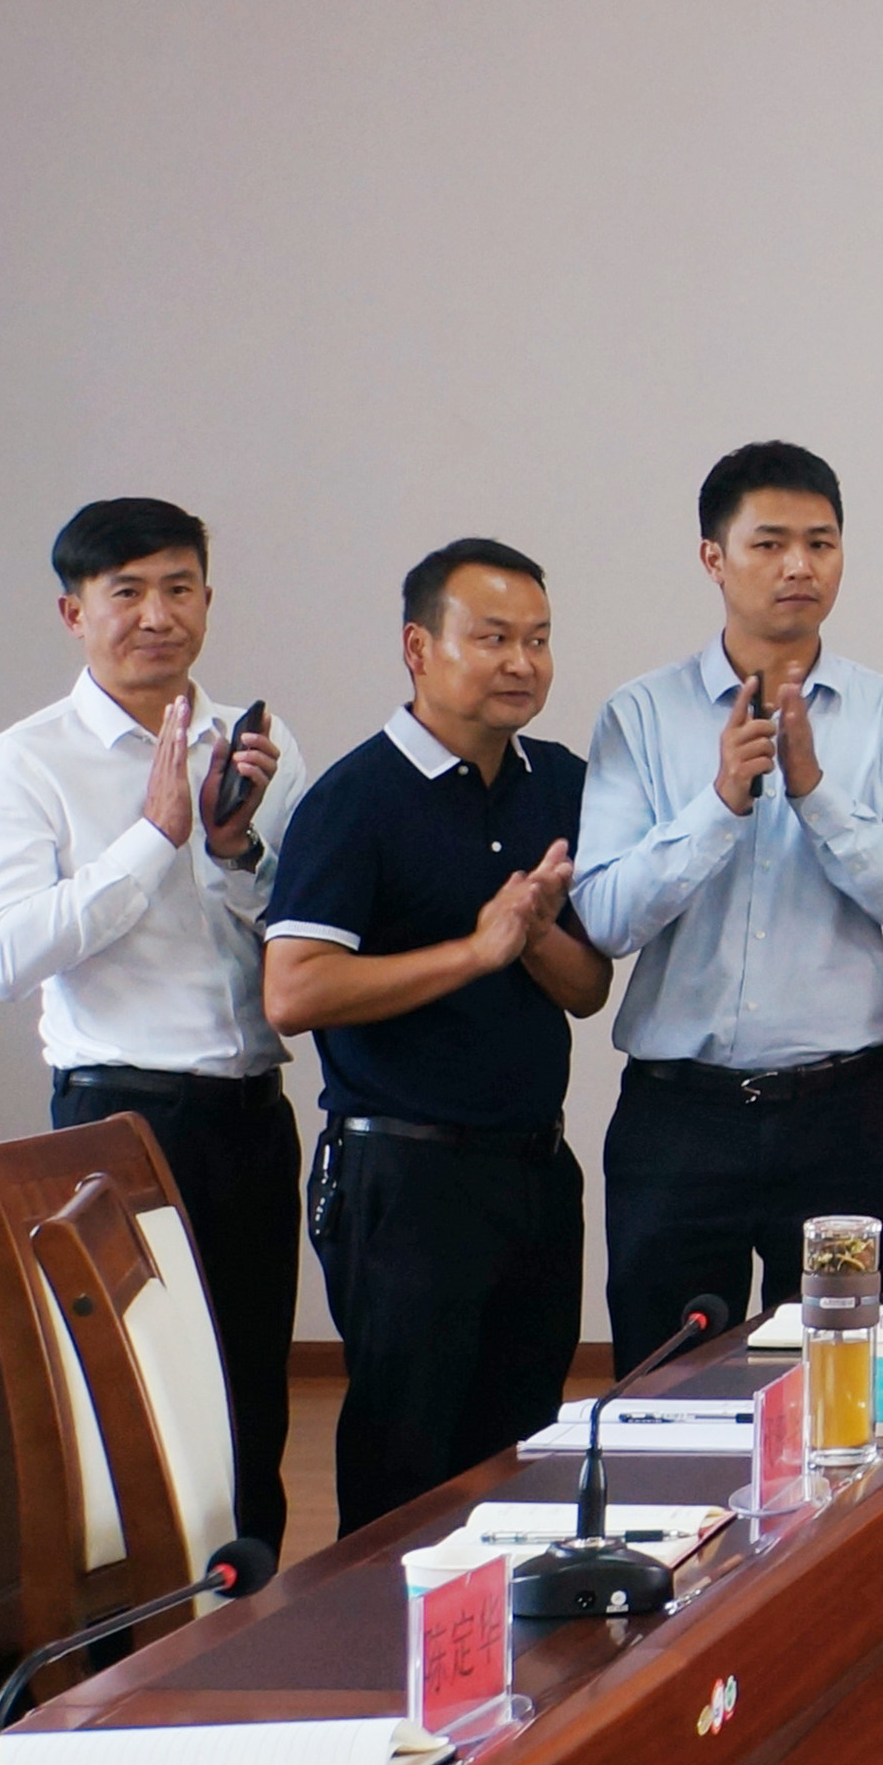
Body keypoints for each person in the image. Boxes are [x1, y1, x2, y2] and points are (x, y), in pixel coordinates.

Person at [0, 497, 301, 1552]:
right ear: (75, 612)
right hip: (117, 1121)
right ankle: (134, 1642)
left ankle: (250, 1620)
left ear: (208, 598)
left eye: (179, 587)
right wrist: (154, 839)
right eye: (129, 592)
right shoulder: (26, 759)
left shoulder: (259, 741)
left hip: (250, 1115)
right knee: (136, 1416)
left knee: (251, 1405)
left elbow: (303, 932)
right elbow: (5, 955)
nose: (158, 614)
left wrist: (236, 851)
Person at [574, 443, 883, 1365]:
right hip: (680, 1116)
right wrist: (717, 806)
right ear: (714, 556)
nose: (799, 566)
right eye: (771, 543)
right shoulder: (641, 713)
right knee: (664, 1382)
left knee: (845, 1380)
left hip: (844, 1113)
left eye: (821, 543)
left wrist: (818, 793)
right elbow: (605, 918)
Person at [261, 541, 606, 1534]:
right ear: (419, 647)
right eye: (492, 638)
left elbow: (588, 990)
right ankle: (380, 1633)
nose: (521, 663)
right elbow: (292, 988)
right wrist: (475, 949)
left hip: (534, 1171)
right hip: (404, 1176)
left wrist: (530, 936)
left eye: (538, 639)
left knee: (524, 1461)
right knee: (405, 1472)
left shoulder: (560, 782)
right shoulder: (357, 796)